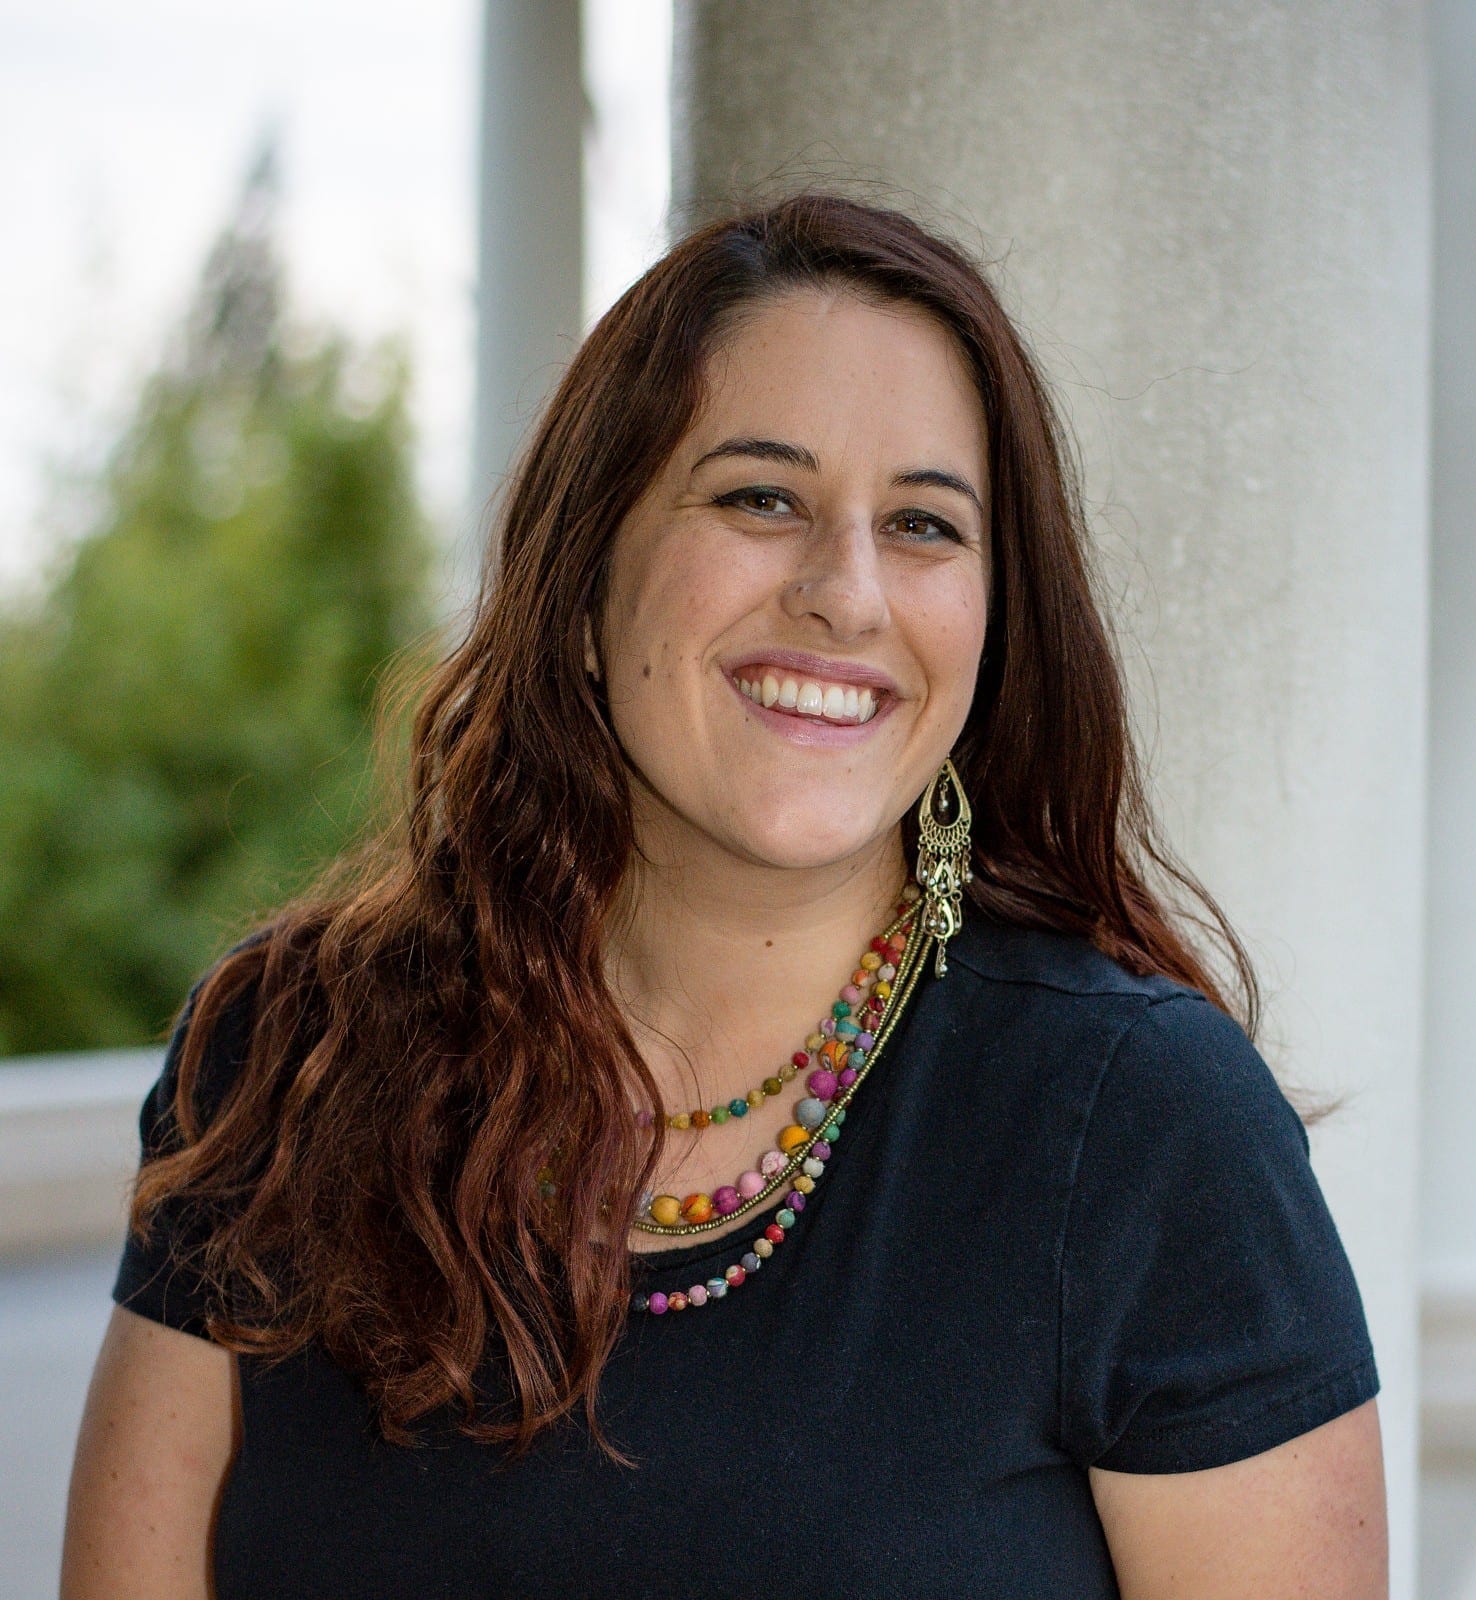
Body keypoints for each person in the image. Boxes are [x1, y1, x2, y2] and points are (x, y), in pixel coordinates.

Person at [61, 191, 1386, 1599]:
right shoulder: (293, 1050)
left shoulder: (1141, 1134)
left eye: (927, 525)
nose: (847, 591)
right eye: (762, 497)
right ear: (584, 579)